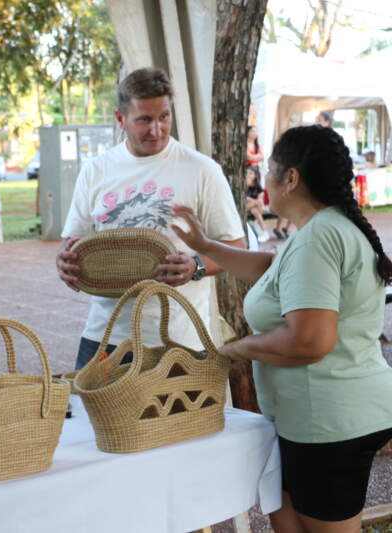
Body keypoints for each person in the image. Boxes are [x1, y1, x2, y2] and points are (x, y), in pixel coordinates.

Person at [171, 124, 392, 533]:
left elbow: (309, 341)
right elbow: (272, 270)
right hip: (323, 416)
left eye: (269, 169)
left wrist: (238, 348)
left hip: (328, 420)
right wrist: (205, 247)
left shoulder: (318, 238)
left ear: (291, 178)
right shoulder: (324, 230)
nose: (262, 179)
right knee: (286, 517)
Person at [55, 67, 245, 369]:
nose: (156, 129)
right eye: (144, 119)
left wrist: (196, 266)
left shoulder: (202, 170)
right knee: (85, 403)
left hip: (179, 340)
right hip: (106, 335)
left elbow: (236, 248)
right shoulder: (96, 170)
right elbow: (73, 242)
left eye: (164, 117)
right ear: (120, 118)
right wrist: (65, 263)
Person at [246, 165, 270, 243]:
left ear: (255, 175)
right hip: (245, 208)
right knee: (257, 205)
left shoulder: (258, 187)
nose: (248, 175)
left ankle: (258, 225)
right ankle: (263, 230)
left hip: (254, 209)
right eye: (247, 173)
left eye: (250, 173)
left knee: (255, 210)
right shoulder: (244, 185)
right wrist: (255, 201)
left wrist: (254, 201)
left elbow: (260, 198)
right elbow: (244, 198)